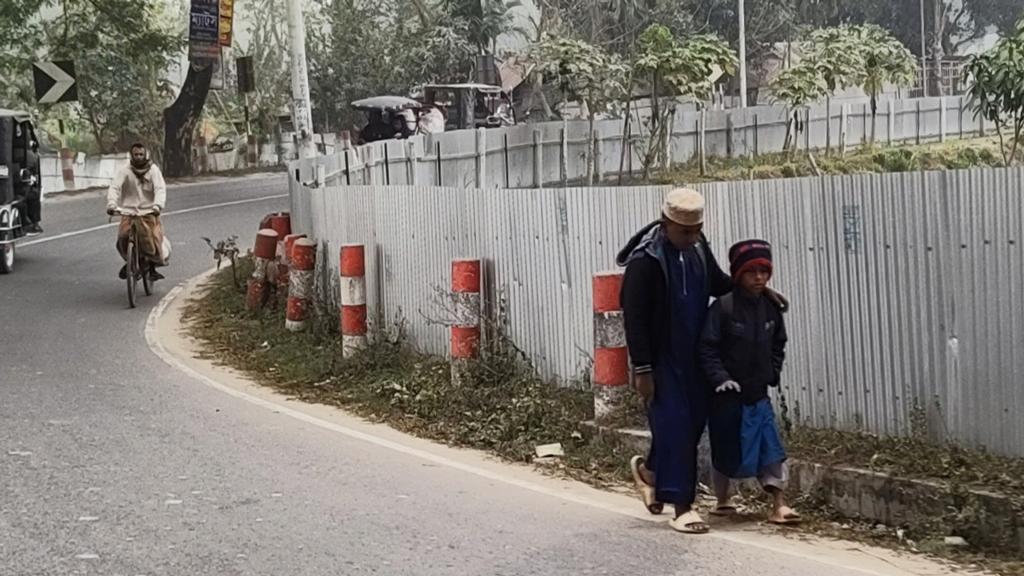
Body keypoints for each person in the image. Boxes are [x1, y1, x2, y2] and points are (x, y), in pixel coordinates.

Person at [618, 188, 732, 534]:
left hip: (695, 352)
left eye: (697, 230)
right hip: (661, 357)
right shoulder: (646, 260)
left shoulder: (697, 248)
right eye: (685, 231)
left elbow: (717, 282)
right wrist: (642, 370)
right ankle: (683, 506)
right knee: (676, 425)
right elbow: (634, 319)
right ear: (666, 223)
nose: (692, 237)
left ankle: (651, 472)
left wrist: (752, 290)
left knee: (693, 422)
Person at [700, 240, 800, 525]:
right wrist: (720, 378)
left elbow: (778, 343)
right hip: (727, 398)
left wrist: (773, 371)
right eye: (751, 271)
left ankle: (779, 504)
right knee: (726, 449)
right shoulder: (723, 308)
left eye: (764, 271)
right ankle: (723, 501)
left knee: (772, 448)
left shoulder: (771, 308)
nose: (759, 278)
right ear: (738, 273)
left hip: (758, 394)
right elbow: (707, 348)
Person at [106, 143, 167, 282]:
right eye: (135, 155)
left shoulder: (153, 170)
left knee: (154, 240)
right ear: (131, 155)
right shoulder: (125, 170)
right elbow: (115, 187)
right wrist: (111, 204)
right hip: (129, 212)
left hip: (149, 212)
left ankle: (152, 268)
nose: (138, 157)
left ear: (145, 155)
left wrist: (157, 206)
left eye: (141, 154)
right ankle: (131, 262)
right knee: (122, 238)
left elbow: (160, 189)